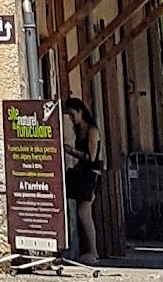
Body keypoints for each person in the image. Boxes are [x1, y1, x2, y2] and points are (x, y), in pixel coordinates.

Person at [64, 96, 103, 264]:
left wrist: (71, 151)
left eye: (73, 115)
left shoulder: (91, 130)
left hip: (91, 174)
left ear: (81, 112)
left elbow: (91, 157)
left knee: (84, 213)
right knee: (81, 212)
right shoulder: (78, 130)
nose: (72, 119)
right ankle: (89, 250)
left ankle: (93, 251)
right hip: (82, 173)